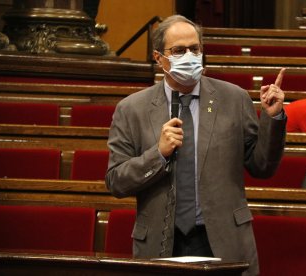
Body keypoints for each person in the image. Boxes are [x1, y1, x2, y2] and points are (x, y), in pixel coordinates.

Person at [105, 15, 287, 276]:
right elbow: (116, 181)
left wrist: (272, 118)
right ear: (158, 58)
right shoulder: (132, 109)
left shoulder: (234, 98)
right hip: (161, 240)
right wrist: (158, 154)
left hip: (224, 239)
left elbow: (261, 166)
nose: (189, 56)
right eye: (179, 50)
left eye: (195, 49)